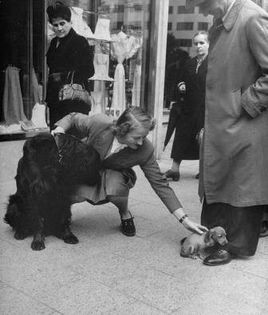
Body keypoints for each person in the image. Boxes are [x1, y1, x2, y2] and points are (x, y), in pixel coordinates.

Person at [187, 0, 268, 265]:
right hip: (224, 121)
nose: (202, 11)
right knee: (221, 179)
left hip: (244, 121)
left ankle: (234, 245)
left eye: (204, 5)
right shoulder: (221, 22)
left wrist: (247, 102)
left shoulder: (252, 17)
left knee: (241, 185)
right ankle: (213, 236)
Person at [52, 107, 207, 237]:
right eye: (137, 137)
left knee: (115, 188)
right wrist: (59, 130)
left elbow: (160, 184)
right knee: (72, 195)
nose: (141, 142)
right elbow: (73, 117)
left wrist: (184, 219)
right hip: (87, 168)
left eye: (144, 137)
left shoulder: (145, 150)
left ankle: (124, 212)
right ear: (122, 130)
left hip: (116, 175)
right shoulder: (100, 123)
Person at [164, 32, 209, 181]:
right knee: (181, 136)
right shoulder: (189, 63)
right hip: (188, 106)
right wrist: (181, 85)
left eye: (202, 43)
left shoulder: (214, 63)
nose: (198, 46)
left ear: (209, 44)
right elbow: (180, 80)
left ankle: (203, 171)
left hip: (206, 107)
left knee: (203, 139)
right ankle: (174, 170)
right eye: (196, 43)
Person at [46, 2, 94, 128]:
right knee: (56, 137)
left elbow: (89, 71)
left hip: (74, 101)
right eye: (55, 25)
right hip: (56, 100)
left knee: (72, 140)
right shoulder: (54, 42)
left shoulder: (79, 41)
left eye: (62, 23)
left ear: (70, 22)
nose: (59, 28)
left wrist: (61, 76)